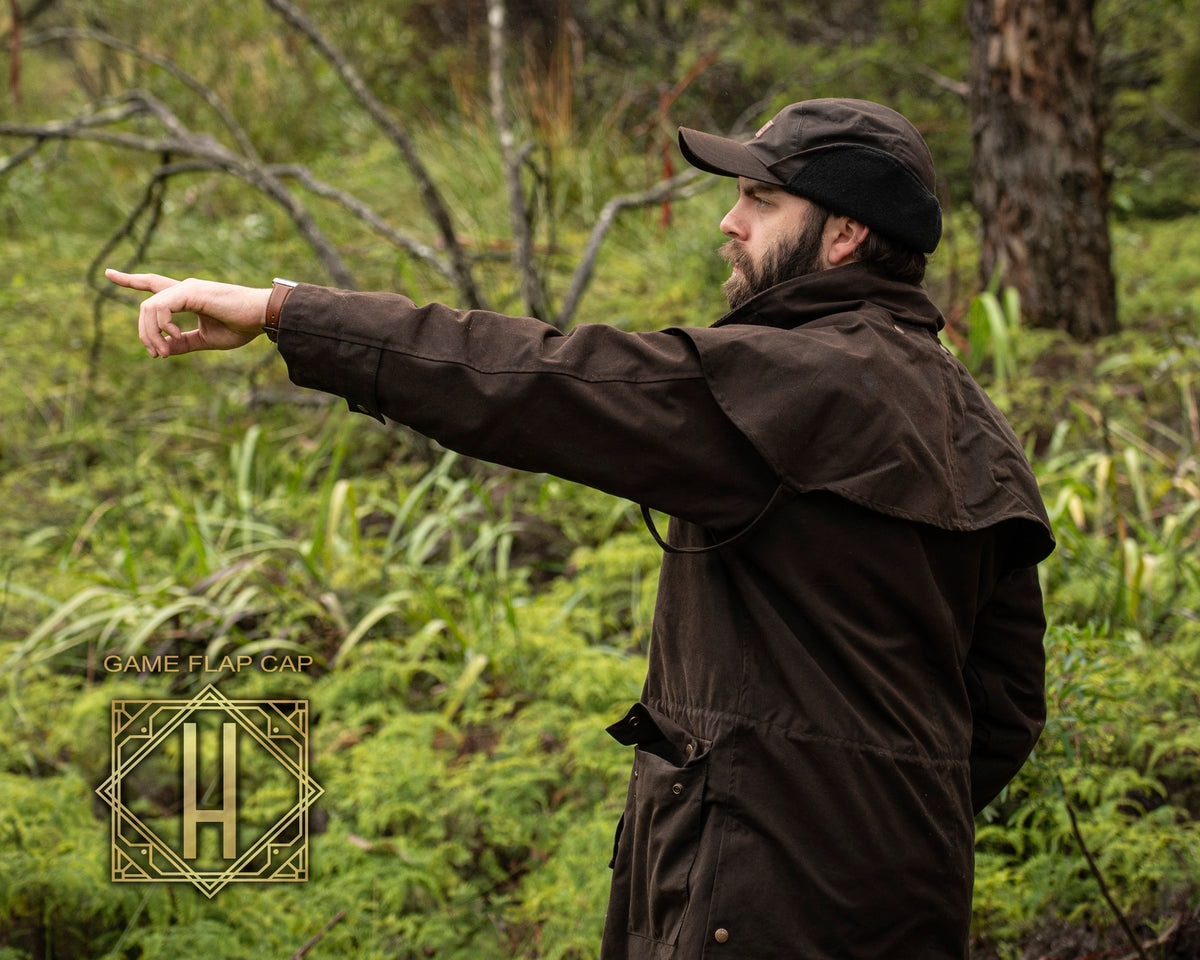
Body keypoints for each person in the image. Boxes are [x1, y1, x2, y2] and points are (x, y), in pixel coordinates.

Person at [109, 98, 1054, 959]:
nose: (729, 223)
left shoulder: (784, 386)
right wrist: (865, 817)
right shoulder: (974, 425)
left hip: (751, 904)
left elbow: (536, 381)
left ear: (845, 233)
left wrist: (286, 312)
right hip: (909, 899)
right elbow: (1005, 707)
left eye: (762, 202)